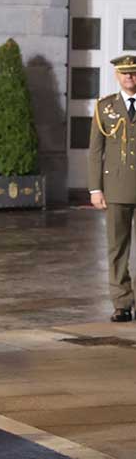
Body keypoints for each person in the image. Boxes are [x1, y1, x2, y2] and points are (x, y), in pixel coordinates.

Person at [88, 54, 136, 321]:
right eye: (125, 73)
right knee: (117, 247)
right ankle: (122, 302)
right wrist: (95, 188)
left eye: (133, 73)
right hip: (116, 186)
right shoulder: (105, 107)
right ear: (117, 76)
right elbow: (96, 151)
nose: (129, 77)